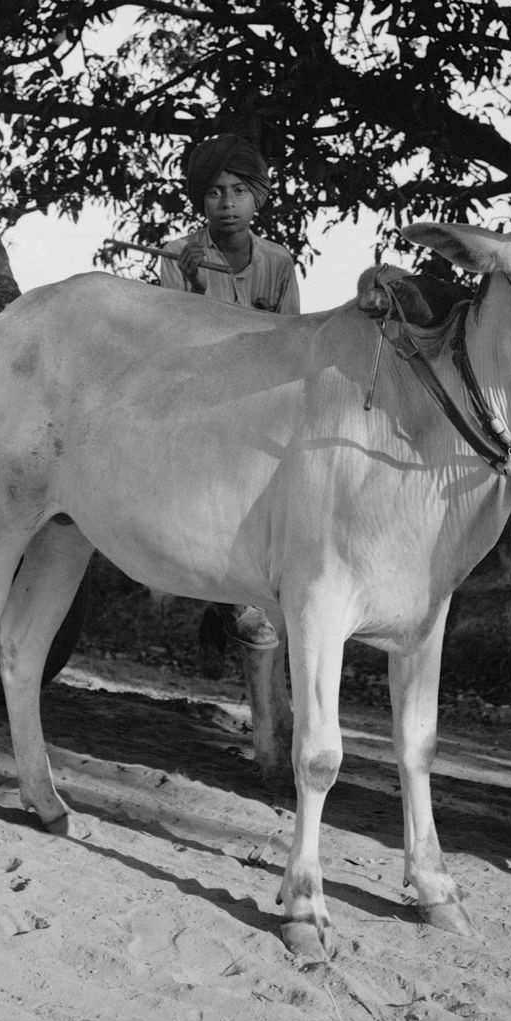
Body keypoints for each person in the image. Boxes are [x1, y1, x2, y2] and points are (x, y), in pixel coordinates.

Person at [159, 134, 300, 655]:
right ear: (201, 199)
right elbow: (170, 347)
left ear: (257, 198)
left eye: (239, 191)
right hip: (195, 397)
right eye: (215, 192)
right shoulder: (177, 256)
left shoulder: (278, 263)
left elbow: (291, 342)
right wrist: (195, 290)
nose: (227, 204)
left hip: (261, 399)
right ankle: (230, 595)